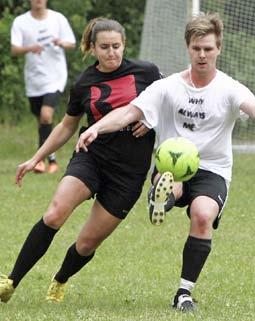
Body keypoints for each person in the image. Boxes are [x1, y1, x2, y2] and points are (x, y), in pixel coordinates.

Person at [74, 12, 255, 312]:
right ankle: (163, 197)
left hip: (212, 169)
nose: (202, 55)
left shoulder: (229, 88)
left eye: (208, 48)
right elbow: (129, 113)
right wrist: (96, 127)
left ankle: (183, 292)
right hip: (172, 165)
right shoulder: (167, 87)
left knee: (203, 214)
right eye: (196, 49)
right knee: (172, 181)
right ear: (188, 49)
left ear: (219, 48)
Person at [0, 18, 161, 303]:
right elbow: (66, 126)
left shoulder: (146, 73)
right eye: (104, 47)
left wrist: (151, 119)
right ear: (92, 48)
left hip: (129, 173)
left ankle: (60, 279)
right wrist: (35, 157)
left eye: (116, 46)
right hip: (92, 158)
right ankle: (10, 282)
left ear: (124, 44)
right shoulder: (84, 82)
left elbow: (170, 102)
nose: (111, 53)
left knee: (87, 243)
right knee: (54, 214)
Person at [11, 0, 76, 174]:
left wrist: (60, 42)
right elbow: (14, 49)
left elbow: (72, 43)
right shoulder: (20, 21)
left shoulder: (58, 19)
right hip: (34, 80)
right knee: (41, 120)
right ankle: (52, 160)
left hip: (55, 77)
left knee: (46, 116)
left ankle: (38, 161)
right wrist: (30, 48)